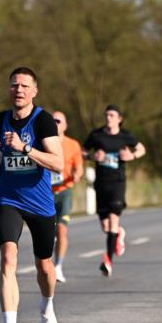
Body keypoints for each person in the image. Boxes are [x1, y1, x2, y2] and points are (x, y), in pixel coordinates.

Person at [0, 67, 64, 323]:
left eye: (24, 86)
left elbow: (58, 164)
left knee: (44, 266)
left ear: (34, 91)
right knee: (8, 258)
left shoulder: (43, 121)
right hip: (9, 199)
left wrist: (25, 147)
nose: (18, 89)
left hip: (41, 204)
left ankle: (47, 306)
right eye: (14, 85)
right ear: (9, 89)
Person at [83, 105, 145, 277]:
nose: (108, 118)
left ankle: (108, 260)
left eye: (112, 115)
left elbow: (142, 148)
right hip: (101, 183)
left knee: (113, 218)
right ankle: (118, 234)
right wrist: (92, 157)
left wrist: (131, 156)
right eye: (106, 115)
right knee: (105, 226)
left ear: (119, 118)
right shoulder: (96, 135)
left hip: (118, 182)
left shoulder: (125, 136)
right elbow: (82, 151)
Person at [50, 110, 84, 283]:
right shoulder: (42, 142)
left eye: (58, 120)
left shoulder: (73, 144)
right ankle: (47, 264)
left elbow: (79, 166)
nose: (55, 123)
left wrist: (77, 174)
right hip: (44, 193)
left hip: (64, 191)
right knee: (47, 232)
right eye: (52, 120)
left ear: (65, 125)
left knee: (62, 229)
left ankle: (58, 266)